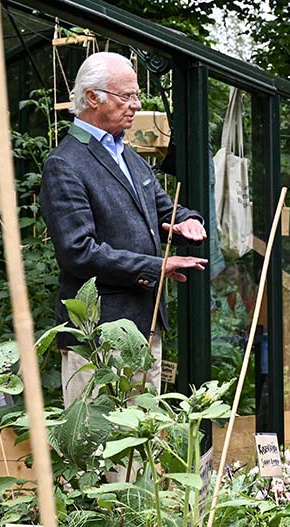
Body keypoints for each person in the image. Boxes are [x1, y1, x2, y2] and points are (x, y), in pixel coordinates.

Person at [40, 51, 207, 404]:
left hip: (146, 326)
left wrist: (188, 221)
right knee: (100, 450)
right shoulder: (64, 163)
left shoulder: (131, 158)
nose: (135, 104)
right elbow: (78, 252)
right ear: (91, 97)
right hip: (99, 335)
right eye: (126, 96)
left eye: (136, 95)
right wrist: (155, 266)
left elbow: (166, 209)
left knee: (142, 444)